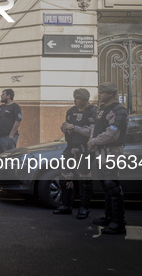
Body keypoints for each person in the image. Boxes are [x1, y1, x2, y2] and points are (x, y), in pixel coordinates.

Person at [88, 82, 128, 235]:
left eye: (103, 92)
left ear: (111, 94)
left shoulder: (119, 110)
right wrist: (92, 141)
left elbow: (113, 133)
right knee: (106, 186)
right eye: (100, 91)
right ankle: (109, 217)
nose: (100, 94)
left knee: (112, 186)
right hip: (101, 151)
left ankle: (118, 223)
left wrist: (95, 141)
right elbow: (96, 128)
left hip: (112, 151)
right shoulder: (103, 109)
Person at [53, 88, 97, 219]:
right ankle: (66, 206)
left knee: (84, 178)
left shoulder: (93, 112)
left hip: (85, 149)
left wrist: (74, 128)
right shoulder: (71, 111)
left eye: (77, 98)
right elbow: (64, 124)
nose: (75, 100)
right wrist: (66, 128)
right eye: (74, 97)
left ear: (85, 99)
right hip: (70, 147)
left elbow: (91, 132)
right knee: (65, 176)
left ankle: (84, 208)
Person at [0, 88, 22, 155]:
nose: (1, 96)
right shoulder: (1, 107)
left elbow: (18, 121)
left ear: (8, 96)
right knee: (0, 158)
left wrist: (11, 135)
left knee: (9, 158)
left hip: (8, 137)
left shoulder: (15, 107)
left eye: (3, 94)